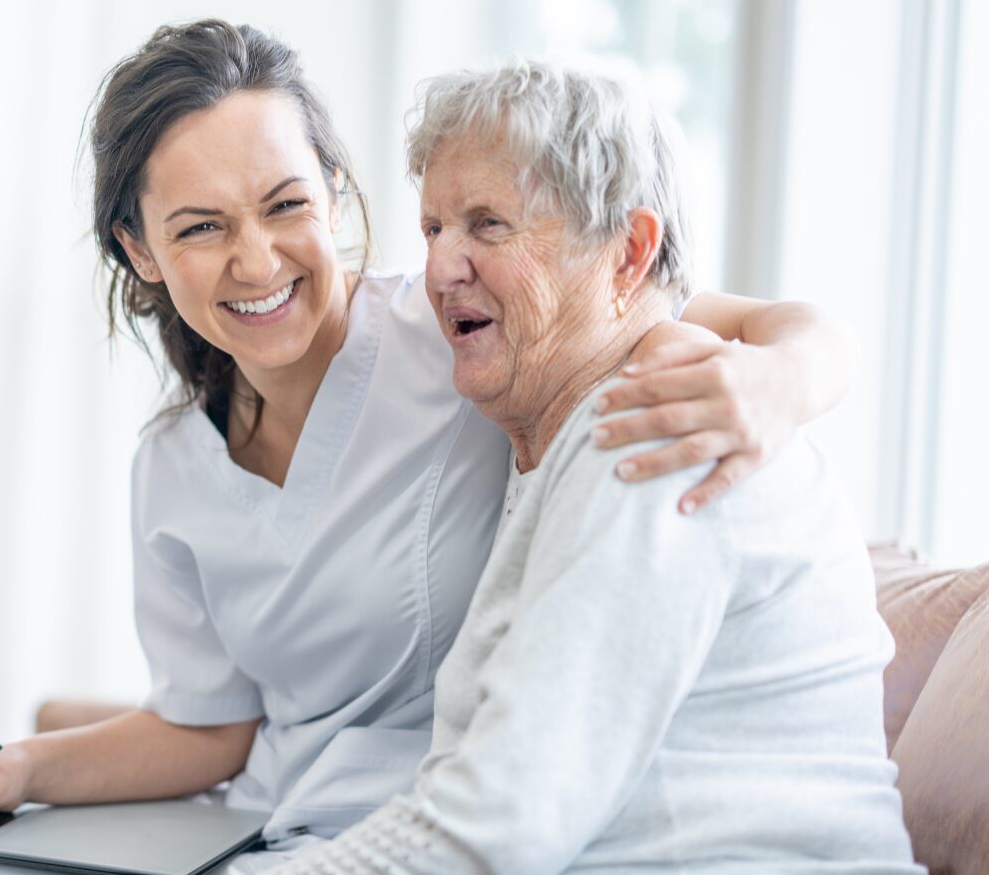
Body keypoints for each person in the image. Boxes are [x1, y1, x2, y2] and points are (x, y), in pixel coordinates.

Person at [0, 21, 858, 875]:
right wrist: (23, 771)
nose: (256, 261)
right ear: (141, 252)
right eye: (201, 227)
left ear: (335, 196)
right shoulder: (173, 463)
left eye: (285, 204)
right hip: (281, 833)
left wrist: (790, 377)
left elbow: (659, 310)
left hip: (421, 837)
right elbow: (212, 724)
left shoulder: (478, 334)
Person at [269, 60, 920, 873]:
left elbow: (494, 827)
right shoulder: (563, 420)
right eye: (434, 227)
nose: (440, 269)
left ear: (627, 256)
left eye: (489, 225)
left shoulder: (659, 419)